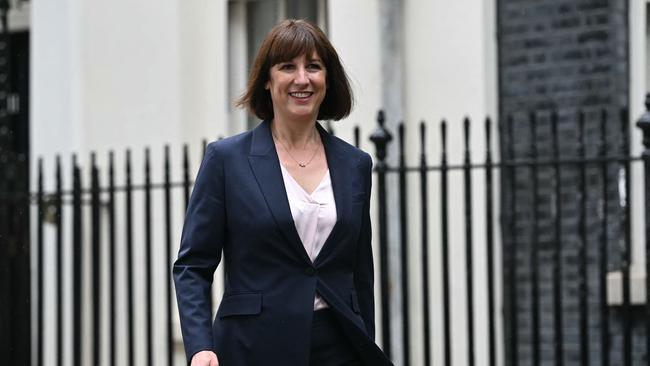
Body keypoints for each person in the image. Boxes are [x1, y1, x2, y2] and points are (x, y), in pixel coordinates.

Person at [173, 19, 392, 366]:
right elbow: (193, 265)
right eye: (288, 66)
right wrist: (200, 346)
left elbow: (360, 272)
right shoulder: (226, 160)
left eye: (314, 67)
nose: (302, 79)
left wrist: (366, 340)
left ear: (327, 79)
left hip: (339, 347)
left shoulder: (356, 165)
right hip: (253, 346)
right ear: (266, 79)